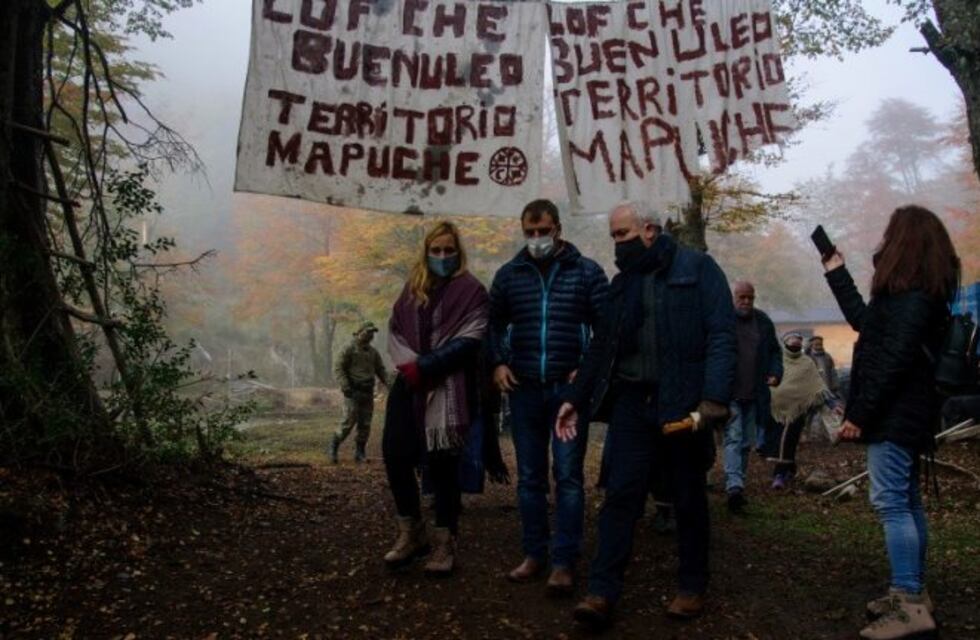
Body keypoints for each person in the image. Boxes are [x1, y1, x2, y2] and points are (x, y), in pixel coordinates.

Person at [554, 201, 736, 629]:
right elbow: (601, 347)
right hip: (632, 404)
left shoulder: (698, 269)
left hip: (683, 404)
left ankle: (691, 586)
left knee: (688, 496)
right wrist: (574, 399)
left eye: (623, 235)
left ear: (650, 230)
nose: (617, 244)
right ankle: (601, 592)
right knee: (621, 495)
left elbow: (722, 334)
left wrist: (713, 398)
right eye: (614, 236)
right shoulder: (623, 284)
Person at [823, 205, 959, 640]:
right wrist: (836, 272)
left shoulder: (913, 297)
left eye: (888, 234)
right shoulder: (910, 295)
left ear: (904, 241)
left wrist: (859, 415)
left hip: (897, 414)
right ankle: (914, 595)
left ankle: (908, 603)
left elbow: (891, 359)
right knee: (906, 501)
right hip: (908, 412)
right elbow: (867, 325)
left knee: (892, 504)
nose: (882, 241)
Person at [488, 199, 609, 595]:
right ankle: (534, 554)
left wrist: (583, 373)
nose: (537, 238)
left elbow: (606, 331)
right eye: (530, 232)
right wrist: (498, 363)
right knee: (529, 478)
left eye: (544, 231)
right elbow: (491, 325)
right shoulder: (509, 275)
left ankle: (564, 561)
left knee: (570, 478)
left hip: (567, 394)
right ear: (523, 230)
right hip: (523, 391)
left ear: (557, 228)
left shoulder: (586, 271)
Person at [380, 222, 490, 576]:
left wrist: (425, 366)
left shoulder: (472, 290)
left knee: (443, 467)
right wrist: (410, 366)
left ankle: (445, 542)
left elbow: (471, 337)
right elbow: (395, 328)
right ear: (426, 252)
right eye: (436, 250)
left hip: (448, 386)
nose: (442, 256)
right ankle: (411, 531)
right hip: (408, 384)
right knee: (395, 455)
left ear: (458, 251)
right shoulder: (413, 288)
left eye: (448, 250)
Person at [723, 280, 782, 514]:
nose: (746, 302)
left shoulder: (763, 322)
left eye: (750, 297)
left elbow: (775, 352)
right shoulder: (724, 321)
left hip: (755, 393)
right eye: (742, 297)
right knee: (734, 438)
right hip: (730, 393)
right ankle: (734, 486)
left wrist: (776, 373)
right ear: (734, 297)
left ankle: (738, 484)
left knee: (747, 442)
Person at [764, 331, 839, 489]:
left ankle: (779, 474)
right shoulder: (777, 360)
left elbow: (819, 386)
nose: (795, 342)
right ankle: (789, 469)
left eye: (798, 340)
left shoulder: (807, 363)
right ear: (785, 342)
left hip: (797, 410)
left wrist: (833, 404)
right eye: (791, 340)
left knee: (787, 440)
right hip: (775, 409)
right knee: (779, 441)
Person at [331, 321, 389, 464]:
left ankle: (360, 452)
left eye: (372, 333)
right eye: (368, 332)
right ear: (359, 332)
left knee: (365, 424)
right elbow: (338, 368)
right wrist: (345, 386)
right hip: (353, 392)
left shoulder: (373, 352)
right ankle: (333, 448)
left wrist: (391, 385)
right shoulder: (349, 348)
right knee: (348, 423)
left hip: (367, 392)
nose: (370, 335)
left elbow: (381, 370)